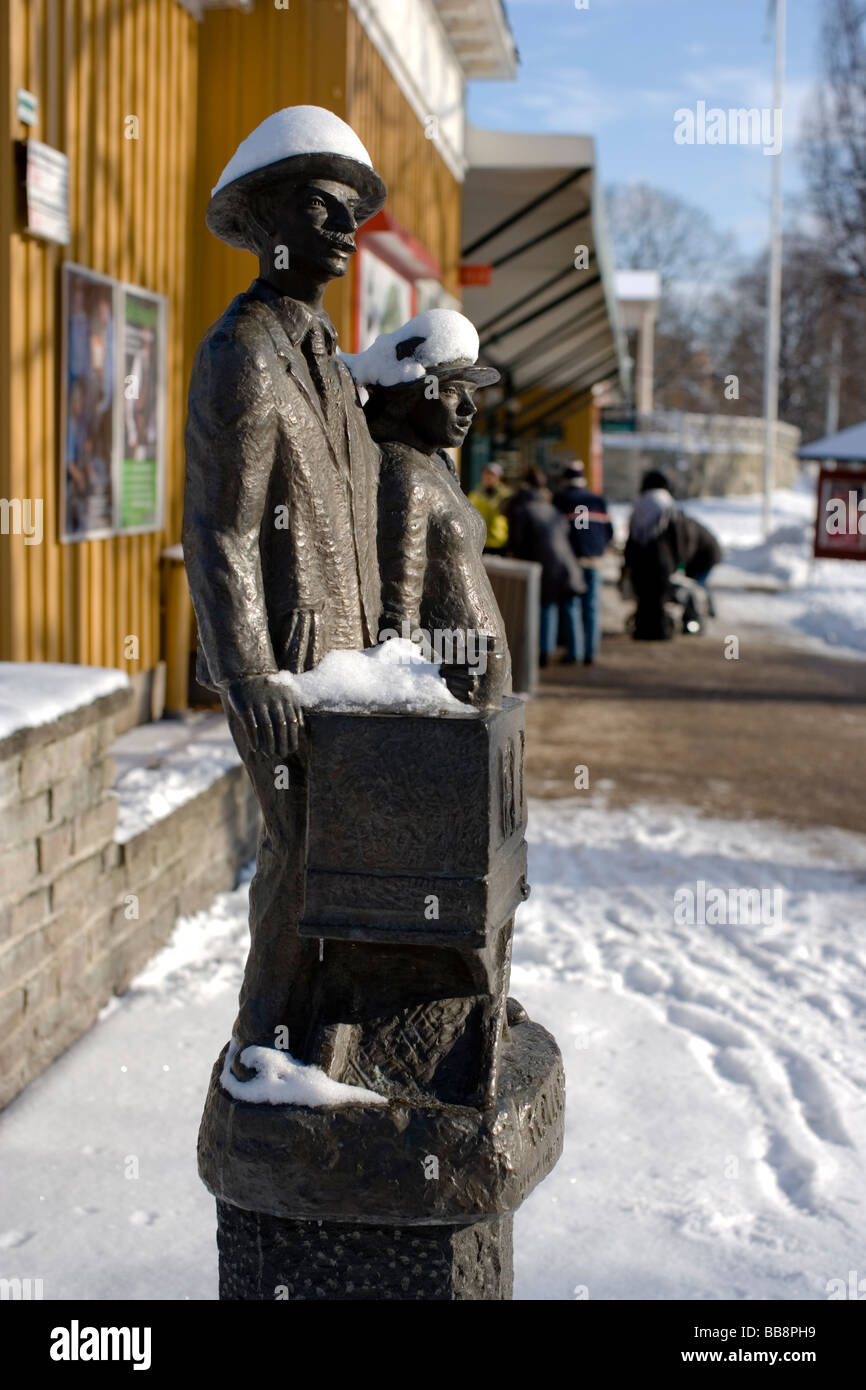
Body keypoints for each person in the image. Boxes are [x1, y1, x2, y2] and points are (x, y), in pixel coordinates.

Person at [183, 106, 387, 1079]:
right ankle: (263, 1049)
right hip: (287, 670)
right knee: (300, 853)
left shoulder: (334, 371)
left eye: (351, 211)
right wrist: (248, 669)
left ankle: (328, 1043)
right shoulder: (243, 353)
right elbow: (218, 527)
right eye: (320, 206)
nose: (346, 229)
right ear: (267, 218)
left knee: (345, 859)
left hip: (349, 659)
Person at [343, 308, 511, 704]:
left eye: (471, 394)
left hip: (479, 675)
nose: (469, 408)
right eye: (453, 391)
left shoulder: (436, 464)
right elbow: (397, 613)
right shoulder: (403, 473)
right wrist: (420, 682)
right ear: (408, 396)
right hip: (455, 682)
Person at [507, 467, 586, 667]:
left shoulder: (522, 507)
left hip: (546, 565)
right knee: (569, 608)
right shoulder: (550, 508)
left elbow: (517, 541)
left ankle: (544, 654)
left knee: (546, 607)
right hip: (567, 564)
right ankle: (577, 653)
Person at [553, 461, 613, 665]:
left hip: (571, 561)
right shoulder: (598, 500)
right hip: (594, 559)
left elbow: (555, 532)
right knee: (592, 606)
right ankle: (591, 653)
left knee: (572, 605)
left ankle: (574, 653)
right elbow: (609, 532)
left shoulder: (560, 499)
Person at [623, 469, 681, 640]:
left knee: (643, 597)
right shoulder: (667, 502)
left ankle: (642, 630)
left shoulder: (639, 502)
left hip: (640, 557)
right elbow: (674, 534)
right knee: (658, 597)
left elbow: (631, 534)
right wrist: (678, 560)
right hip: (662, 557)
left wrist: (628, 561)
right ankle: (659, 632)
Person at [468, 462, 510, 553]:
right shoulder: (475, 495)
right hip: (479, 542)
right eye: (486, 474)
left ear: (499, 477)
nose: (488, 477)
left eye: (492, 475)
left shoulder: (505, 496)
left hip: (499, 542)